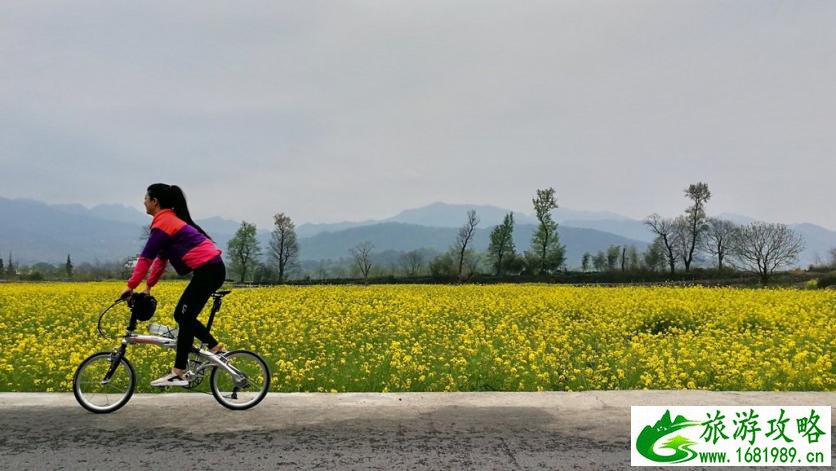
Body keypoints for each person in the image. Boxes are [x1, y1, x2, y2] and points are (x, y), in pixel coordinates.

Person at [120, 183, 227, 387]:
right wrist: (148, 286)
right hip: (208, 270)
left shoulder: (164, 223)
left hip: (210, 271)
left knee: (186, 317)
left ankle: (178, 371)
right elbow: (160, 259)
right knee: (180, 315)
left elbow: (146, 258)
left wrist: (131, 285)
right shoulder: (166, 222)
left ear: (155, 202)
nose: (143, 201)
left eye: (145, 197)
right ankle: (214, 347)